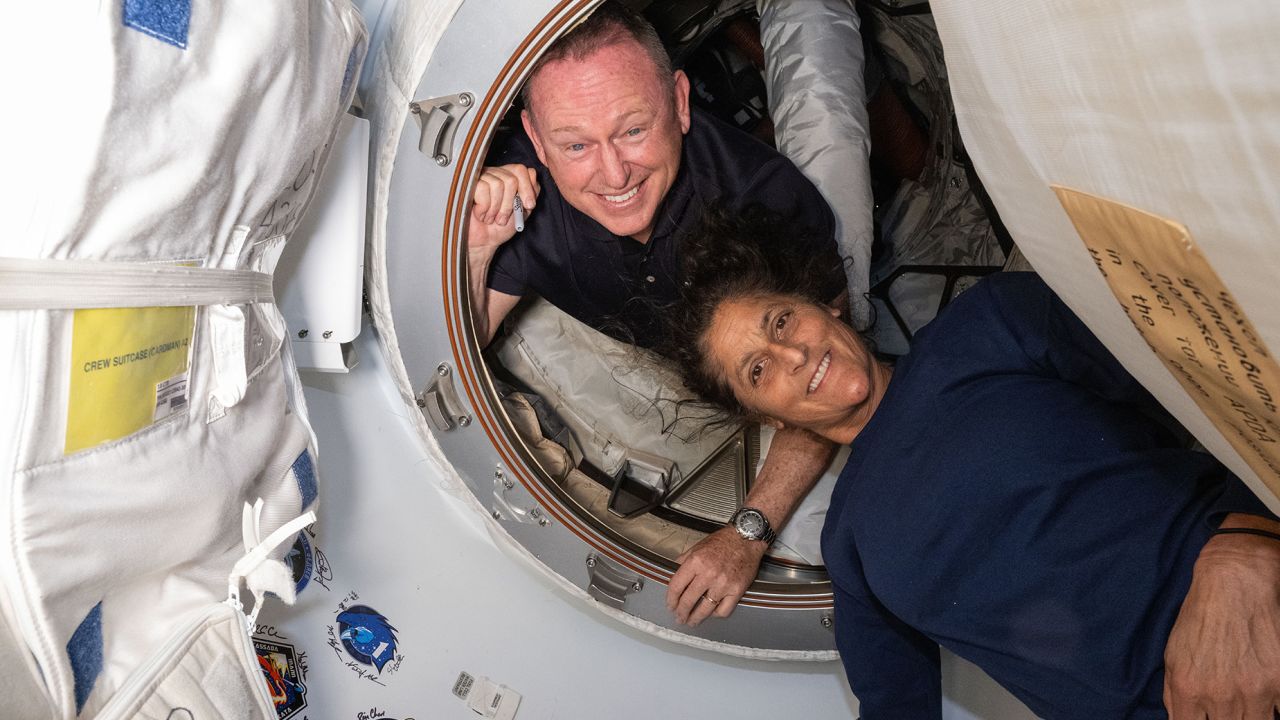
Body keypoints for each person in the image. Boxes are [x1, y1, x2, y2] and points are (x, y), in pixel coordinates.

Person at [659, 206, 1280, 718]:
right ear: (768, 417)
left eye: (782, 320)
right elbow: (894, 708)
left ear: (828, 305)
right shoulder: (849, 545)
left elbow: (1222, 381)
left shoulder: (989, 325)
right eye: (758, 370)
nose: (791, 353)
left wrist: (1245, 546)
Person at [466, 2, 848, 621]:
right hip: (659, 352)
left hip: (763, 339)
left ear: (679, 101)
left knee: (830, 127)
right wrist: (479, 247)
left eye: (633, 130)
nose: (613, 172)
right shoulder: (520, 196)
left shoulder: (767, 202)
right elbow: (465, 340)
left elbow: (830, 377)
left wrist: (748, 532)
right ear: (536, 138)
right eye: (575, 144)